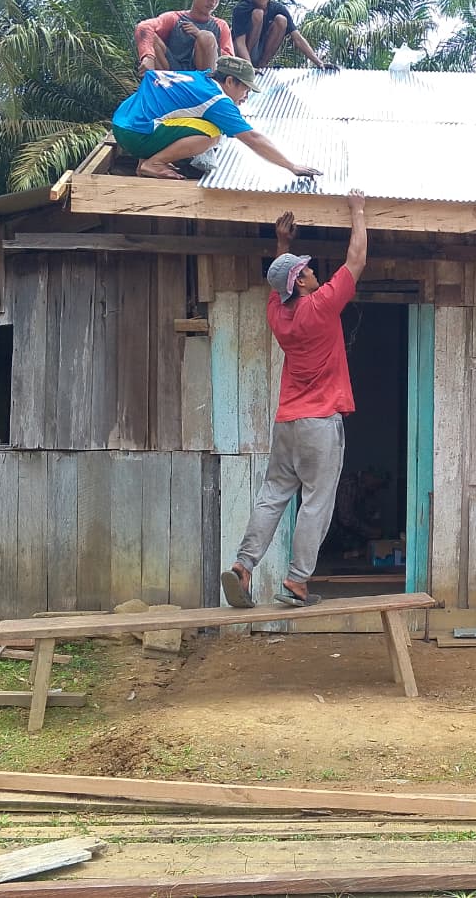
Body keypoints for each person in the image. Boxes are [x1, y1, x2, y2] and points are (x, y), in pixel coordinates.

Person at [221, 190, 367, 609]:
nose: (313, 272)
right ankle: (298, 582)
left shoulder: (278, 314)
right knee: (316, 502)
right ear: (300, 282)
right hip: (320, 423)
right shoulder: (320, 307)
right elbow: (355, 260)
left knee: (273, 495)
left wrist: (282, 244)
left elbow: (276, 281)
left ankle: (244, 566)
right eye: (305, 270)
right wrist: (357, 211)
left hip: (287, 422)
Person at [111, 54, 321, 180]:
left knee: (169, 112)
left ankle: (144, 161)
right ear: (229, 81)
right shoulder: (217, 100)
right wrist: (291, 166)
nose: (246, 96)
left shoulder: (200, 78)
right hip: (135, 134)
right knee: (212, 133)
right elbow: (253, 138)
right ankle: (153, 163)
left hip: (122, 121)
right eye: (246, 89)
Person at [230, 0, 337, 70]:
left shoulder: (278, 8)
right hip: (241, 55)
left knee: (281, 20)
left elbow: (298, 38)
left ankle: (262, 65)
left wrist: (318, 62)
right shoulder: (241, 9)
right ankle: (249, 66)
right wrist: (248, 68)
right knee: (258, 13)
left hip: (260, 54)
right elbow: (240, 43)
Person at [134, 0, 234, 75]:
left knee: (207, 37)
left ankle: (206, 85)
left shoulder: (221, 26)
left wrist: (199, 35)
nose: (212, 2)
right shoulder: (174, 18)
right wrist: (148, 56)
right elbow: (143, 27)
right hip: (171, 72)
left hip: (202, 79)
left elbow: (229, 62)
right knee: (151, 37)